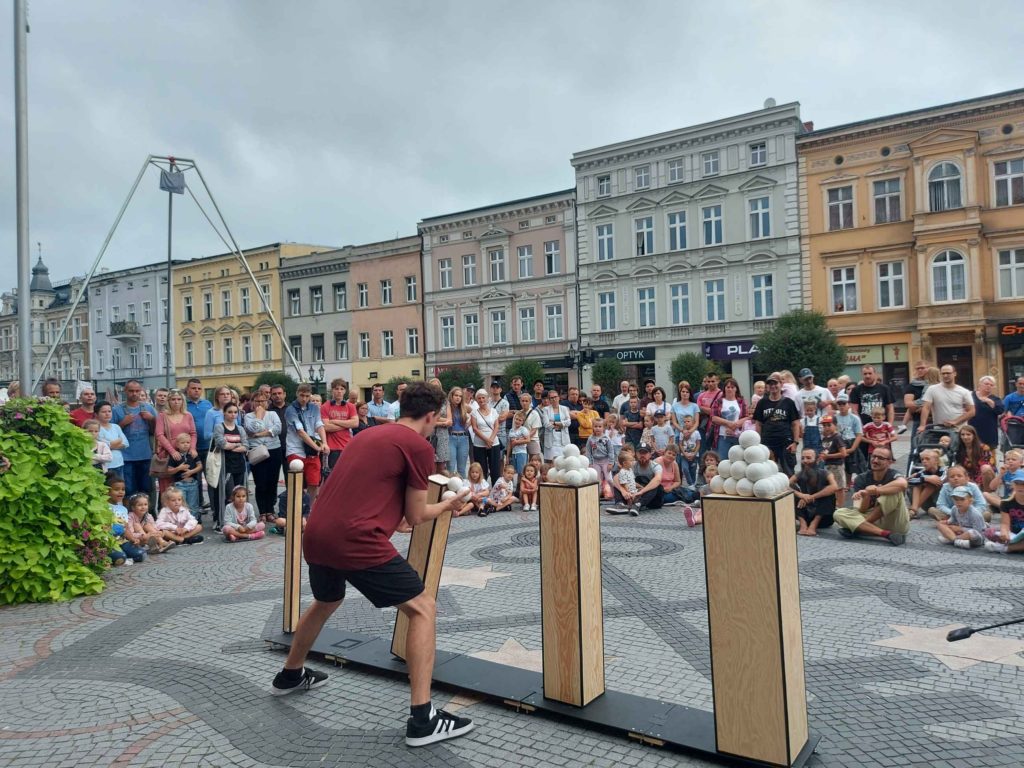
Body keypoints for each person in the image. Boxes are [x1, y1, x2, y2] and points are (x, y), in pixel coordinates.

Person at [273, 382, 476, 748]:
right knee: (423, 608)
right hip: (354, 539)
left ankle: (290, 674)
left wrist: (397, 515)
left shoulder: (371, 434)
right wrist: (448, 506)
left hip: (317, 533)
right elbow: (415, 517)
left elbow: (386, 504)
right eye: (435, 421)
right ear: (430, 416)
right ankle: (423, 718)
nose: (434, 428)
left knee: (327, 601)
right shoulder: (418, 445)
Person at [833, 448, 908, 545]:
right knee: (839, 513)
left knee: (894, 490)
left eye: (880, 458)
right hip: (872, 518)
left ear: (889, 462)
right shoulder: (861, 478)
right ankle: (885, 534)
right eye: (873, 456)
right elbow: (861, 510)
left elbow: (903, 484)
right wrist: (866, 495)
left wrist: (877, 490)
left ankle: (860, 528)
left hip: (894, 520)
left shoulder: (894, 474)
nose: (875, 460)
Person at [112, 379, 157, 498]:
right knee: (128, 489)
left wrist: (152, 419)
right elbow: (110, 433)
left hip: (145, 455)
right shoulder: (117, 410)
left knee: (146, 489)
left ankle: (148, 514)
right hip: (126, 457)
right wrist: (123, 423)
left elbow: (157, 431)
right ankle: (129, 515)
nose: (134, 393)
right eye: (131, 391)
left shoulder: (148, 408)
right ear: (125, 391)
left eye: (137, 391)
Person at [285, 384, 329, 503]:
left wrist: (324, 443)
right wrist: (316, 447)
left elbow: (319, 425)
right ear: (297, 394)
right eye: (302, 395)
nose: (304, 399)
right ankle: (297, 507)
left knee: (314, 481)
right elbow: (300, 431)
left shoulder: (314, 408)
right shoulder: (290, 410)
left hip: (311, 450)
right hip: (295, 449)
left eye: (307, 396)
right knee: (297, 480)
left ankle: (309, 508)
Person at [244, 390, 283, 522]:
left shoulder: (272, 414)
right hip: (257, 451)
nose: (260, 404)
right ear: (252, 403)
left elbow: (278, 428)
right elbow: (253, 428)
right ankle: (262, 511)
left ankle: (270, 510)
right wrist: (259, 416)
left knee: (272, 482)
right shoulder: (248, 416)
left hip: (274, 450)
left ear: (267, 402)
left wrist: (260, 434)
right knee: (260, 483)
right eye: (257, 401)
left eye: (263, 401)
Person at [752, 376, 801, 476]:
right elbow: (758, 424)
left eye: (775, 383)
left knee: (788, 472)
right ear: (767, 386)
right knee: (768, 472)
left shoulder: (789, 402)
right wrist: (759, 443)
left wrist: (795, 442)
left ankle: (791, 491)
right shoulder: (762, 403)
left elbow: (795, 423)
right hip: (767, 442)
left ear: (781, 385)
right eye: (770, 384)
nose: (773, 386)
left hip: (785, 442)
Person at [212, 403, 250, 528]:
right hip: (225, 467)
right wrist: (237, 445)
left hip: (240, 466)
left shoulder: (240, 429)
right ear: (224, 413)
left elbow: (246, 446)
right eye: (230, 412)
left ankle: (238, 521)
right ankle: (220, 521)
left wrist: (232, 446)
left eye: (235, 412)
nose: (233, 414)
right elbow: (222, 444)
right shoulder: (219, 427)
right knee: (227, 494)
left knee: (240, 494)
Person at [155, 390, 198, 497]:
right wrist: (172, 451)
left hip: (186, 454)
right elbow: (159, 434)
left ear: (183, 401)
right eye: (173, 399)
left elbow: (193, 433)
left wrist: (192, 448)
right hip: (168, 454)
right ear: (168, 401)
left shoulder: (188, 415)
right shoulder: (162, 416)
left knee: (186, 482)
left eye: (179, 399)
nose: (176, 402)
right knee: (167, 487)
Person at [790, 448, 838, 536]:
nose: (805, 461)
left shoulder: (825, 473)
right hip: (806, 515)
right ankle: (803, 523)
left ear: (817, 459)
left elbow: (834, 487)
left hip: (824, 518)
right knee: (791, 490)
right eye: (803, 458)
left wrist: (812, 497)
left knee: (828, 492)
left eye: (808, 458)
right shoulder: (800, 474)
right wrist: (801, 495)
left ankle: (813, 525)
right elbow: (785, 485)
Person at [918, 365, 975, 435]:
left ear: (954, 374)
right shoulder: (932, 389)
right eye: (943, 373)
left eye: (948, 373)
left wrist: (956, 421)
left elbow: (972, 411)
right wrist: (922, 425)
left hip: (959, 430)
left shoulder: (964, 391)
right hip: (939, 429)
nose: (945, 375)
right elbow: (926, 408)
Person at [611, 444, 664, 515]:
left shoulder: (656, 466)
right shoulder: (631, 464)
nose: (642, 455)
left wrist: (641, 492)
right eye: (640, 453)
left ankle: (638, 505)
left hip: (650, 497)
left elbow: (658, 479)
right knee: (619, 481)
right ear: (636, 454)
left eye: (645, 453)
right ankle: (620, 505)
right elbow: (616, 477)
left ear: (650, 454)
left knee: (657, 486)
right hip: (633, 494)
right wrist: (623, 491)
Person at [185, 378, 213, 511]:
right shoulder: (183, 405)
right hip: (192, 448)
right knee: (195, 479)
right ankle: (198, 505)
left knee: (210, 477)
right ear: (187, 390)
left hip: (208, 447)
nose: (196, 391)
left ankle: (213, 504)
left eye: (199, 388)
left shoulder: (207, 404)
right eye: (193, 388)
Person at [321, 379, 358, 473]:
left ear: (345, 391)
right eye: (336, 388)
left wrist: (334, 421)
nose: (339, 391)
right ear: (332, 390)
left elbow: (355, 423)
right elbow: (326, 427)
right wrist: (347, 424)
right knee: (333, 474)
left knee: (347, 474)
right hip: (332, 447)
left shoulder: (350, 406)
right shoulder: (326, 406)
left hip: (347, 446)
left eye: (342, 389)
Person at [985, 471, 1024, 554]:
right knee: (990, 532)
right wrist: (1004, 532)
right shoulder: (1006, 503)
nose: (1021, 486)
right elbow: (1005, 523)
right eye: (1017, 483)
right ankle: (1012, 545)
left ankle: (1006, 548)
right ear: (1013, 485)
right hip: (1014, 534)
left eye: (1023, 483)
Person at [850, 365, 895, 436]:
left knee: (882, 447)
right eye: (865, 374)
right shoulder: (856, 390)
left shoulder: (885, 389)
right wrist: (860, 427)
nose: (867, 376)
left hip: (882, 429)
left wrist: (889, 426)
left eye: (870, 373)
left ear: (875, 374)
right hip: (864, 428)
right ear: (862, 375)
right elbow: (854, 411)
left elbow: (890, 409)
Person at [166, 433, 203, 514]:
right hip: (180, 484)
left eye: (188, 443)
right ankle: (182, 523)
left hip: (193, 483)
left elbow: (200, 466)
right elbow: (169, 470)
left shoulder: (193, 454)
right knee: (181, 505)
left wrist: (192, 471)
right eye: (182, 443)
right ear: (177, 445)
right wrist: (179, 468)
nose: (185, 445)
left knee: (193, 505)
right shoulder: (175, 456)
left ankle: (193, 523)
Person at [470, 391, 502, 484]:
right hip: (479, 444)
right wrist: (486, 440)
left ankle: (496, 491)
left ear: (487, 398)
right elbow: (475, 428)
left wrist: (491, 440)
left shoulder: (494, 411)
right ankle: (482, 489)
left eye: (483, 397)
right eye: (479, 398)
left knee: (495, 468)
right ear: (476, 400)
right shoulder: (474, 412)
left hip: (494, 443)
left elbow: (496, 426)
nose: (481, 400)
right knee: (481, 468)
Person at [710, 378, 745, 456]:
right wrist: (728, 423)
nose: (730, 389)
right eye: (728, 387)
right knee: (722, 460)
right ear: (724, 388)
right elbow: (713, 418)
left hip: (737, 435)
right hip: (722, 436)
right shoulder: (718, 401)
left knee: (737, 460)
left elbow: (746, 417)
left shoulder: (741, 401)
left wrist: (735, 425)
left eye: (732, 387)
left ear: (736, 389)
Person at [968, 375, 1004, 452]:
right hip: (971, 430)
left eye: (991, 385)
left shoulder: (995, 399)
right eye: (986, 384)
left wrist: (989, 401)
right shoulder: (970, 395)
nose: (989, 386)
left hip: (988, 432)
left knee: (988, 458)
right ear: (980, 384)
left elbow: (1000, 411)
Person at [818, 415, 847, 507]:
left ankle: (841, 506)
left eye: (829, 425)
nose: (826, 428)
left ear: (835, 425)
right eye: (824, 425)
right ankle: (835, 504)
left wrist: (828, 456)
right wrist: (821, 457)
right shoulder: (826, 438)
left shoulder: (837, 437)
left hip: (837, 465)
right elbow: (827, 450)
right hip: (828, 465)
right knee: (832, 486)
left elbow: (843, 453)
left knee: (839, 487)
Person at [954, 424, 995, 489]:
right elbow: (959, 467)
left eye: (968, 434)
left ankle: (987, 494)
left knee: (986, 468)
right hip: (967, 477)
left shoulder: (984, 448)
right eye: (963, 434)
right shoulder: (958, 449)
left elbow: (987, 467)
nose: (965, 437)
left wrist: (976, 483)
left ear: (974, 436)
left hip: (983, 477)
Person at [908, 449, 945, 519]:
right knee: (918, 483)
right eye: (922, 459)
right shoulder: (922, 472)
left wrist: (924, 479)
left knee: (932, 483)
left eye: (927, 459)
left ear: (936, 461)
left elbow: (940, 481)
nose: (924, 461)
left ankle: (913, 510)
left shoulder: (944, 470)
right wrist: (925, 479)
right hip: (926, 504)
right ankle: (914, 509)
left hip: (941, 503)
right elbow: (908, 481)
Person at [96, 401, 128, 477]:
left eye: (109, 411)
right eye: (103, 412)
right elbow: (100, 446)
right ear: (97, 414)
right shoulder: (95, 428)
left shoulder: (116, 427)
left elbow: (126, 443)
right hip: (104, 465)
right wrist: (118, 441)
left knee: (119, 486)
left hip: (119, 463)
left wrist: (109, 445)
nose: (107, 414)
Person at [427, 378, 451, 476]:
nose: (435, 388)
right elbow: (428, 418)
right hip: (430, 434)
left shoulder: (445, 401)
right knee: (431, 466)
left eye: (437, 386)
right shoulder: (426, 401)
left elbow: (450, 420)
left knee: (441, 467)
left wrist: (437, 419)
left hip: (443, 435)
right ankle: (432, 490)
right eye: (432, 386)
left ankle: (440, 490)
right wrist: (442, 421)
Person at [446, 387, 471, 477]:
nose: (458, 398)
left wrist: (470, 422)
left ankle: (463, 490)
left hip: (464, 438)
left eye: (460, 396)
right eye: (456, 395)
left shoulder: (464, 407)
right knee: (450, 467)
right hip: (451, 437)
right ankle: (449, 490)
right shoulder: (447, 407)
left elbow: (475, 413)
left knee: (462, 469)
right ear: (451, 396)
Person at [586, 419, 614, 496]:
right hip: (595, 461)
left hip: (605, 460)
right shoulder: (590, 438)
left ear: (603, 428)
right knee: (597, 480)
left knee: (609, 479)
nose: (597, 428)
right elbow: (588, 451)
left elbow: (611, 451)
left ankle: (615, 494)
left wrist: (611, 463)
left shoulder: (606, 438)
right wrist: (590, 463)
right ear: (592, 427)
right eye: (595, 426)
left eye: (600, 426)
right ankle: (598, 495)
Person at [542, 390, 571, 461]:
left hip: (563, 437)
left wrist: (555, 423)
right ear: (549, 399)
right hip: (551, 438)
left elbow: (569, 422)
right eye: (551, 398)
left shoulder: (565, 408)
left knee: (564, 460)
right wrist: (562, 424)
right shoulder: (545, 409)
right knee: (551, 461)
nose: (554, 399)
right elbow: (546, 424)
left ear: (559, 397)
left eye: (555, 397)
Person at [678, 415, 701, 485]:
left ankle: (692, 486)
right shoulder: (682, 433)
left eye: (688, 421)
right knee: (685, 469)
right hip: (684, 456)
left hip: (694, 456)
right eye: (684, 422)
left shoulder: (696, 433)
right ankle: (691, 484)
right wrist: (684, 454)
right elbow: (680, 444)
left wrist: (694, 453)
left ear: (693, 423)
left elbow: (698, 444)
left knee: (693, 471)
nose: (686, 423)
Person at [506, 411, 531, 476]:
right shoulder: (511, 430)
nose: (517, 421)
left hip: (521, 452)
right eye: (516, 419)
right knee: (513, 472)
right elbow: (509, 444)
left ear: (522, 422)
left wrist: (517, 442)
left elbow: (528, 440)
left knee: (521, 472)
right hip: (514, 453)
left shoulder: (523, 429)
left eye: (520, 420)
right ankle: (513, 485)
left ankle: (520, 485)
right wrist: (507, 456)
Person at [489, 381, 510, 451]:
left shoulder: (505, 403)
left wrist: (488, 418)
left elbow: (503, 418)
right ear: (490, 389)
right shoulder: (487, 402)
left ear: (500, 389)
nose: (495, 389)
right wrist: (497, 416)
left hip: (500, 434)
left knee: (500, 458)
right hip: (489, 433)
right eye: (493, 387)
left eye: (497, 387)